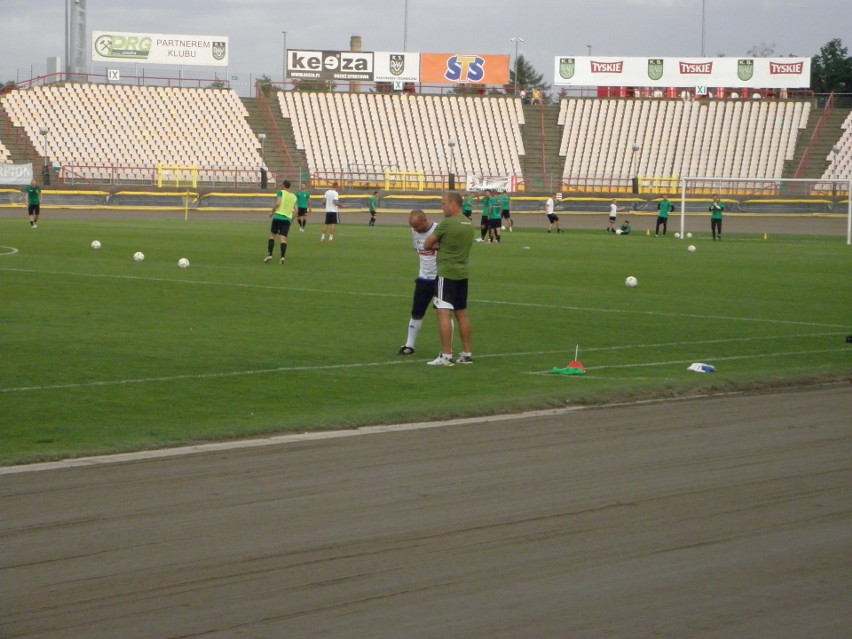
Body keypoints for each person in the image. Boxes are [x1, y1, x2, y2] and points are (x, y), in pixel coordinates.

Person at [424, 191, 474, 366]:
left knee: (443, 312)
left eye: (444, 203)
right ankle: (467, 353)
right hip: (462, 273)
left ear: (454, 204)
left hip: (447, 273)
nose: (442, 207)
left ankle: (446, 355)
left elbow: (427, 243)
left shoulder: (446, 224)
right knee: (462, 312)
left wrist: (439, 245)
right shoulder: (468, 224)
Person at [398, 209, 438, 356]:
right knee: (416, 313)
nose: (415, 230)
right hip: (423, 279)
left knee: (444, 313)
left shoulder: (439, 230)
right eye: (413, 227)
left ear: (424, 220)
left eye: (417, 226)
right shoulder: (415, 232)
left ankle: (447, 349)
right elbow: (419, 251)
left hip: (441, 278)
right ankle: (409, 346)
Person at [264, 179, 297, 264]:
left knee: (272, 235)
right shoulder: (294, 196)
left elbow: (278, 203)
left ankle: (270, 254)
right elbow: (296, 210)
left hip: (278, 216)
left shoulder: (281, 192)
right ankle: (282, 257)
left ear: (283, 185)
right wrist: (291, 219)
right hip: (287, 219)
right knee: (283, 239)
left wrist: (272, 211)